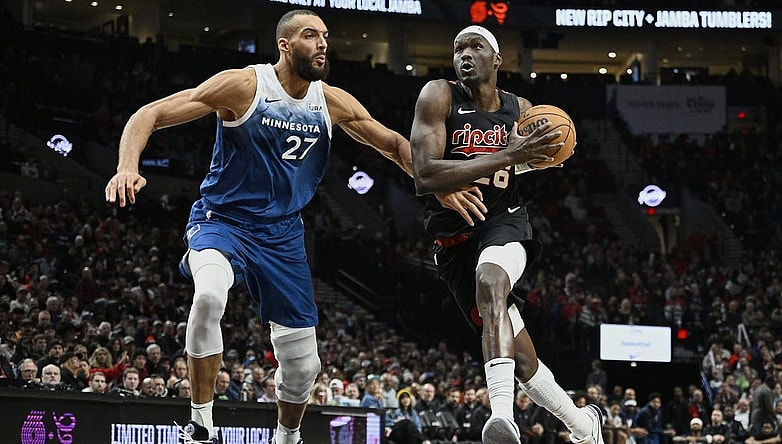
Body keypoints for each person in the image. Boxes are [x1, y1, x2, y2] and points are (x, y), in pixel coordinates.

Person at [104, 8, 467, 444]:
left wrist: (438, 183)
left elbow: (392, 144)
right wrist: (127, 166)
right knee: (209, 295)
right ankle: (201, 424)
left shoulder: (331, 101)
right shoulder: (244, 85)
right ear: (285, 45)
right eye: (311, 35)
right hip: (224, 221)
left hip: (283, 236)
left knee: (304, 366)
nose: (322, 44)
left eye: (325, 36)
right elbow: (150, 113)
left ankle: (287, 438)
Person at [409, 24, 600, 444]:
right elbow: (424, 173)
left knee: (491, 279)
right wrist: (509, 154)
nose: (465, 54)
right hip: (454, 244)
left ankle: (501, 417)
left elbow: (520, 164)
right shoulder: (438, 95)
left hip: (504, 222)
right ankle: (586, 428)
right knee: (526, 361)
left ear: (496, 60)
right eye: (458, 47)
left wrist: (539, 157)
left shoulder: (521, 109)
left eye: (476, 47)